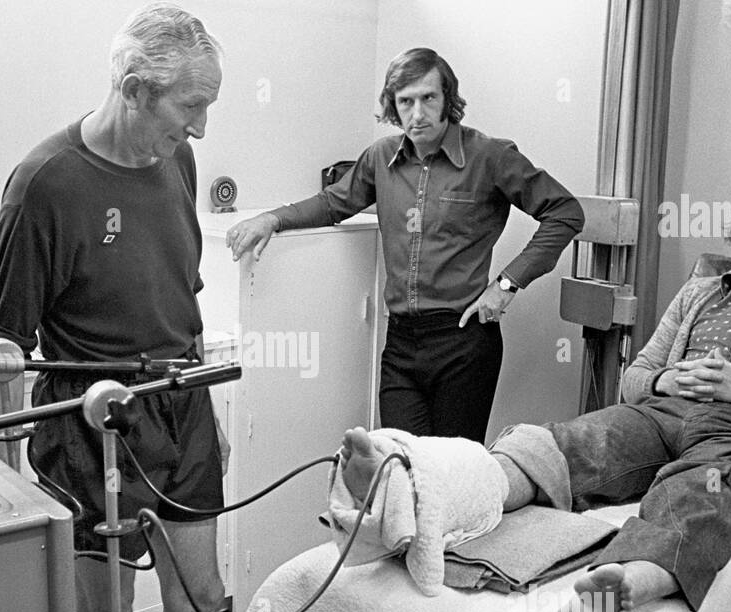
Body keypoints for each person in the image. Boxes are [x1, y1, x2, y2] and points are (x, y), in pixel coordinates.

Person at [340, 166, 731, 612]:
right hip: (660, 414)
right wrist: (666, 383)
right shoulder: (702, 294)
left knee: (706, 491)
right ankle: (416, 493)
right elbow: (634, 380)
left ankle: (623, 587)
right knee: (562, 444)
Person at [0, 3, 228, 612]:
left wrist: (205, 414)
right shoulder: (44, 184)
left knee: (200, 603)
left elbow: (176, 295)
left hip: (180, 405)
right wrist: (5, 463)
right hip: (88, 423)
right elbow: (1, 345)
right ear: (133, 90)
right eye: (191, 107)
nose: (201, 129)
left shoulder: (176, 161)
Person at [226, 47, 584, 442]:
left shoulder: (490, 156)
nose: (417, 114)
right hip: (400, 343)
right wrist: (272, 218)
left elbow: (565, 212)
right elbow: (333, 203)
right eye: (405, 102)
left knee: (450, 475)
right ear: (393, 107)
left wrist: (506, 285)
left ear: (448, 98)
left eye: (428, 98)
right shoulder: (381, 157)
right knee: (399, 463)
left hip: (462, 340)